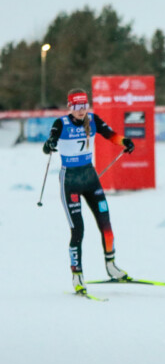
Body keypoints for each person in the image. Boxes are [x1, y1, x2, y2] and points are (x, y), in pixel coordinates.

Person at [42, 89, 135, 295]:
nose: (81, 109)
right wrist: (49, 145)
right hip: (71, 181)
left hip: (90, 178)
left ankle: (111, 266)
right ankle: (77, 276)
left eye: (84, 105)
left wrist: (125, 141)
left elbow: (111, 135)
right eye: (76, 106)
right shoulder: (61, 123)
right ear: (70, 107)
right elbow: (49, 143)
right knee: (78, 230)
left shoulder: (93, 120)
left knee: (106, 223)